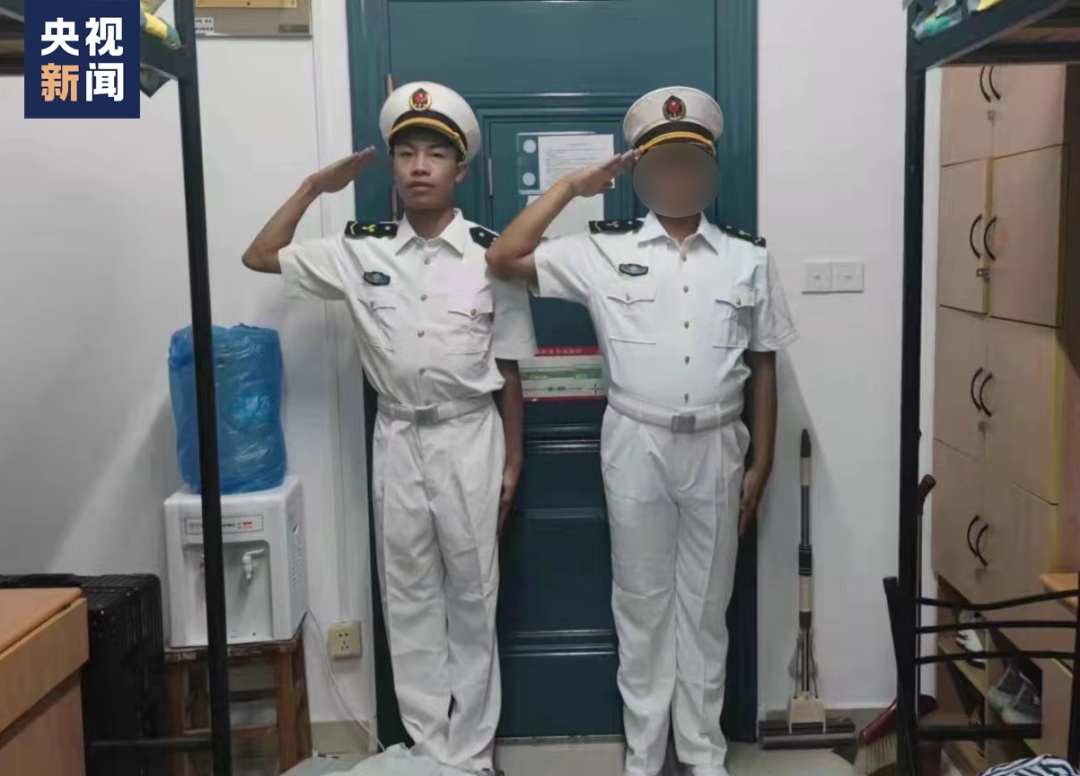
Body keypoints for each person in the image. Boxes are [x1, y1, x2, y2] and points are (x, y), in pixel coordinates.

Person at [484, 86, 796, 776]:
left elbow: (765, 362)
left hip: (718, 445)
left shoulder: (747, 258)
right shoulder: (601, 250)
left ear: (708, 169)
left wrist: (764, 461)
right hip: (635, 442)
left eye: (690, 163)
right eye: (664, 165)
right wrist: (572, 187)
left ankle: (703, 755)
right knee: (642, 604)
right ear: (643, 173)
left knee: (706, 609)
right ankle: (646, 755)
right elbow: (504, 256)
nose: (678, 177)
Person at [242, 81, 536, 775]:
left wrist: (513, 460)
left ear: (460, 169)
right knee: (408, 596)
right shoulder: (359, 251)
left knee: (473, 595)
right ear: (394, 168)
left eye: (436, 153)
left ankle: (473, 754)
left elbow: (511, 369)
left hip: (470, 434)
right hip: (398, 436)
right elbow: (261, 254)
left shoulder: (494, 256)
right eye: (406, 153)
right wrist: (315, 187)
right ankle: (430, 752)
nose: (419, 166)